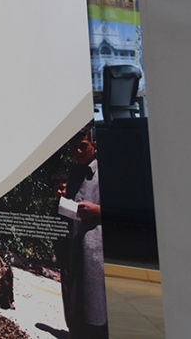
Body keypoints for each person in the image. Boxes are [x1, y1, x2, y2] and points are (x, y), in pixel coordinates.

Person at [59, 128, 108, 338]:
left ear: (94, 146)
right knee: (77, 305)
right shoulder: (74, 174)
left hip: (96, 254)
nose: (78, 151)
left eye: (83, 146)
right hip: (75, 248)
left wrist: (98, 210)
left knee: (97, 309)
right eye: (73, 147)